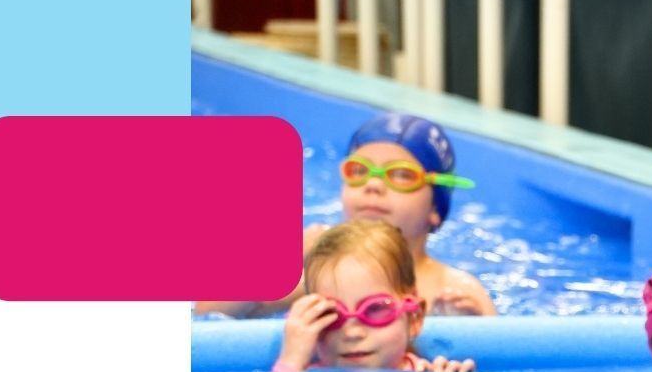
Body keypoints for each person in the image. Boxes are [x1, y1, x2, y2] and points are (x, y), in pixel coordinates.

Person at [197, 111, 497, 318]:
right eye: (359, 171)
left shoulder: (454, 289)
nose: (374, 185)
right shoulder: (320, 276)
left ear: (435, 209)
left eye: (401, 175)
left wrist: (475, 328)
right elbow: (209, 312)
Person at [271, 219, 475, 372]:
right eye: (331, 314)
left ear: (414, 318)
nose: (351, 333)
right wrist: (291, 361)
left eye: (375, 309)